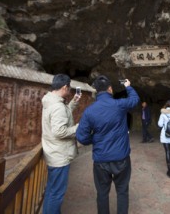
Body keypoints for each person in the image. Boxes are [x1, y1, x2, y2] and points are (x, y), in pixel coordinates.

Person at [76, 75, 139, 214]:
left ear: (96, 91)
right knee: (122, 191)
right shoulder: (120, 105)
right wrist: (128, 86)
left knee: (102, 193)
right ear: (110, 89)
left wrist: (95, 139)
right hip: (121, 158)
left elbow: (81, 136)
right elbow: (134, 100)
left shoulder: (89, 111)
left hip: (101, 160)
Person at [41, 74, 81, 214]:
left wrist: (73, 102)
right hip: (59, 156)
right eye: (69, 89)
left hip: (52, 152)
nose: (70, 92)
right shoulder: (57, 106)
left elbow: (64, 113)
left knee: (52, 190)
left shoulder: (50, 100)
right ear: (64, 87)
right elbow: (60, 131)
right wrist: (79, 127)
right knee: (56, 194)